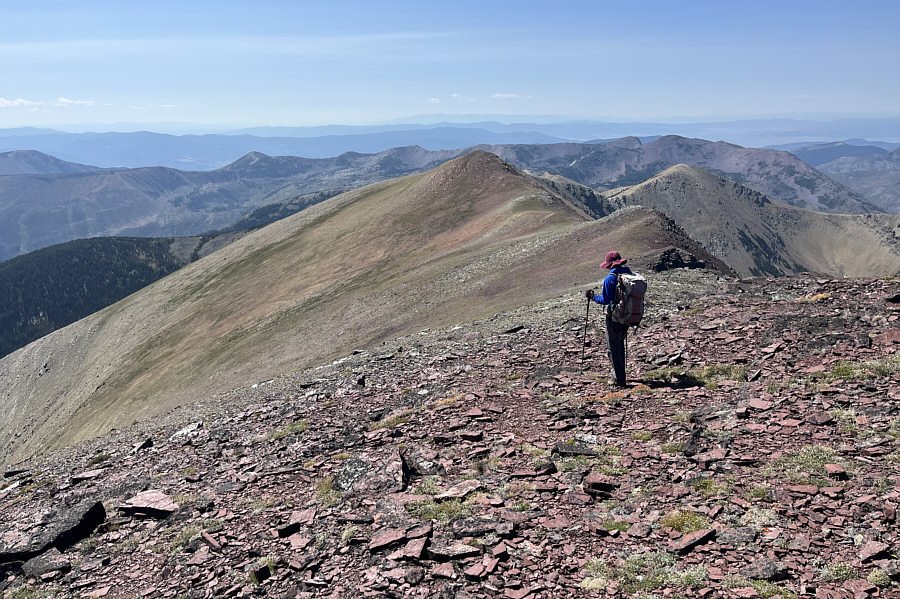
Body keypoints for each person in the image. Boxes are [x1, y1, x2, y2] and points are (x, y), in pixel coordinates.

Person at [586, 251, 632, 387]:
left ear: (610, 265)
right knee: (619, 345)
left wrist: (592, 296)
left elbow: (605, 300)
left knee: (613, 348)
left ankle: (619, 380)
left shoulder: (610, 279)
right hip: (628, 316)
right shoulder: (629, 274)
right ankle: (621, 375)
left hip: (614, 317)